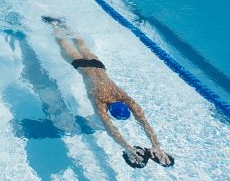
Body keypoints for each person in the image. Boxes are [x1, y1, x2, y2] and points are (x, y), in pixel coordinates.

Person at [44, 17, 174, 168]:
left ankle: (65, 24)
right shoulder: (100, 102)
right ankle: (54, 25)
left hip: (98, 65)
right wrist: (127, 147)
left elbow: (144, 121)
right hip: (81, 67)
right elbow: (111, 129)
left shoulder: (123, 97)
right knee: (64, 44)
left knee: (82, 46)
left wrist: (156, 144)